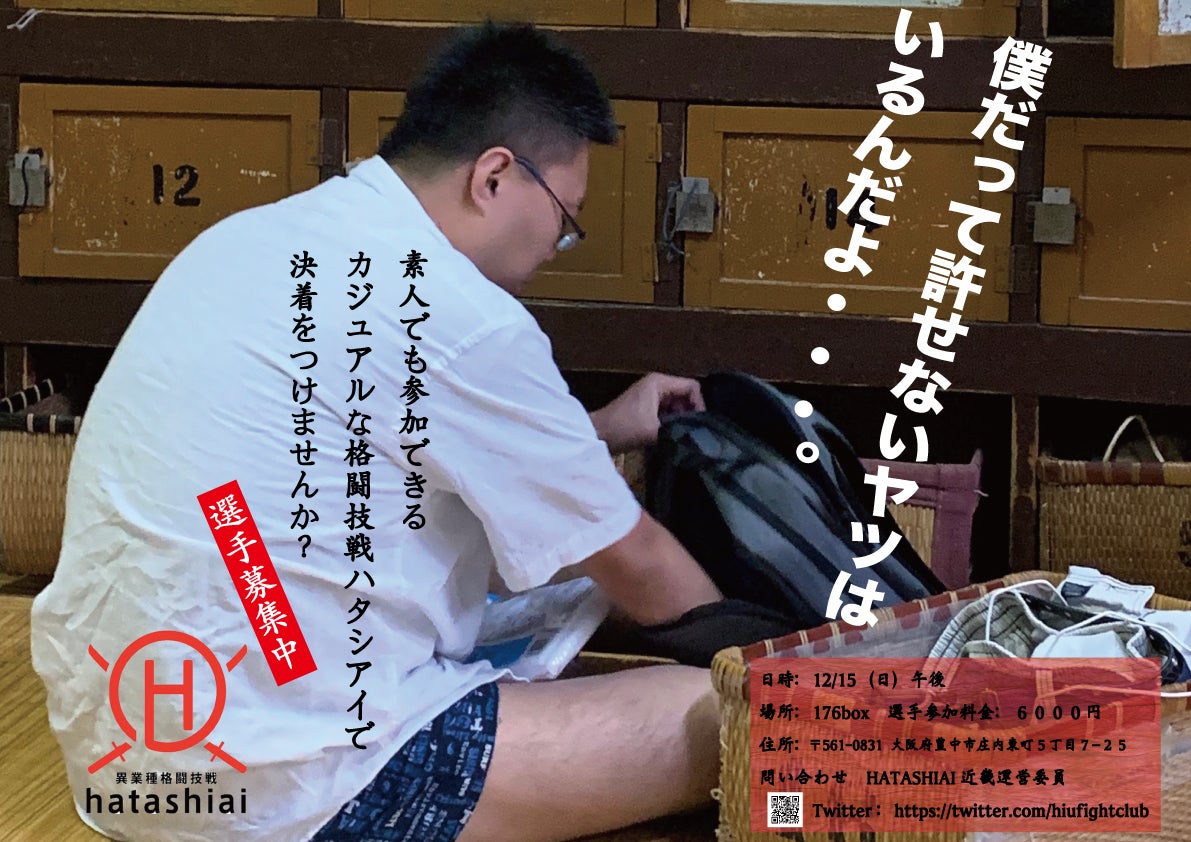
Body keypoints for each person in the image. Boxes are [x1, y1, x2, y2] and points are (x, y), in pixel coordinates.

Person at [30, 20, 725, 842]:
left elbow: (383, 431)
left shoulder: (252, 237)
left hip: (125, 753)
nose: (556, 247)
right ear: (494, 176)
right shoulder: (466, 316)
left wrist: (600, 428)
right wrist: (763, 656)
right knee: (742, 720)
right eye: (563, 218)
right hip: (293, 784)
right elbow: (637, 562)